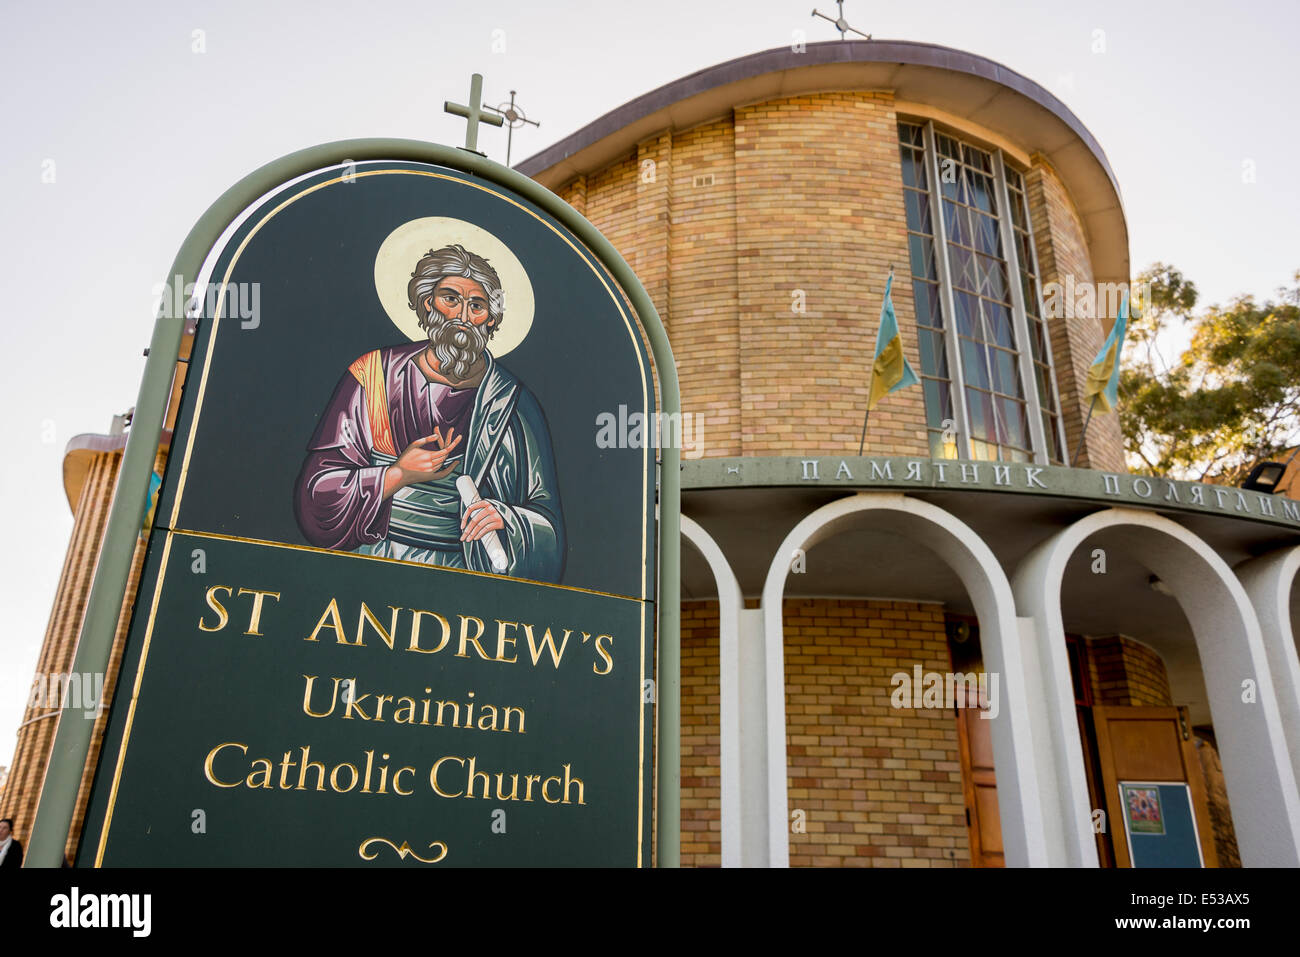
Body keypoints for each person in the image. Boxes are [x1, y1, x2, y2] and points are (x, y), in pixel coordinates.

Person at [295, 244, 564, 583]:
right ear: (427, 303)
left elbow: (548, 526)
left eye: (477, 306)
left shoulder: (513, 403)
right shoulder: (373, 376)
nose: (463, 317)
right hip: (372, 568)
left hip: (466, 581)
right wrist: (397, 475)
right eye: (450, 299)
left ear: (492, 319)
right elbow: (316, 496)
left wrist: (505, 519)